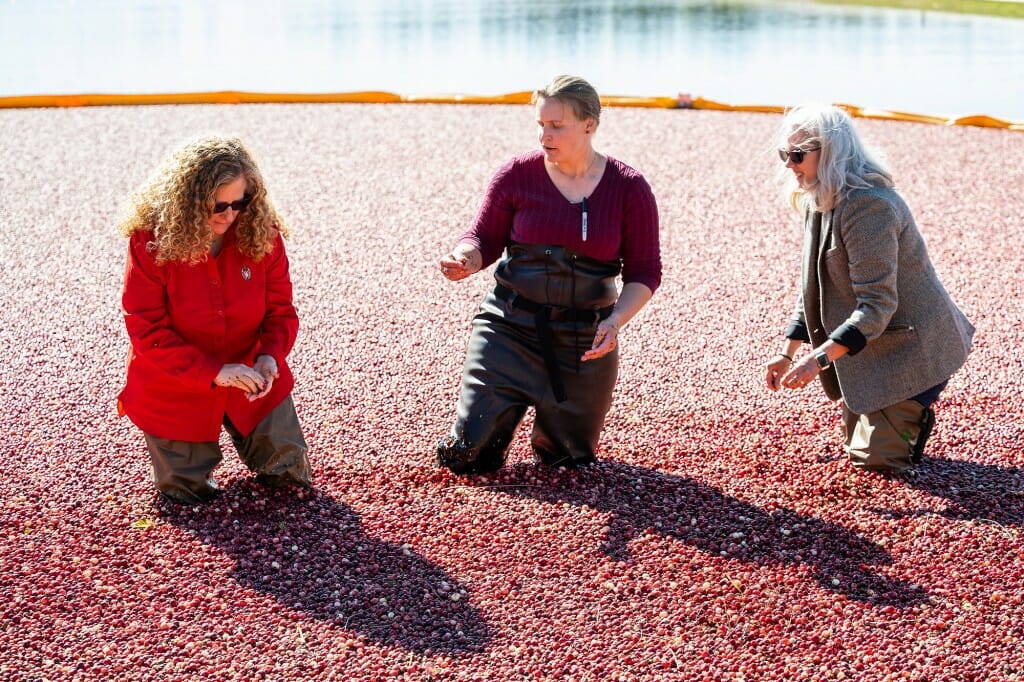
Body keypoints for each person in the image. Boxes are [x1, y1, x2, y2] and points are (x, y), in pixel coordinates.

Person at [436, 75, 661, 474]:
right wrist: (465, 258)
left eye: (557, 126)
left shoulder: (629, 187)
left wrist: (615, 321)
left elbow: (645, 272)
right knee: (467, 456)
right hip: (509, 328)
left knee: (568, 462)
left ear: (589, 124)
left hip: (584, 340)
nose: (545, 135)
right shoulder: (516, 175)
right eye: (541, 125)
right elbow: (483, 237)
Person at [764, 104, 974, 471]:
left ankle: (915, 415)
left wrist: (818, 359)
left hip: (913, 346)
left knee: (877, 462)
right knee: (857, 447)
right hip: (871, 346)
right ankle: (893, 416)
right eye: (785, 153)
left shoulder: (869, 209)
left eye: (797, 155)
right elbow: (811, 287)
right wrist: (787, 352)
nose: (788, 164)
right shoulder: (822, 198)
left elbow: (877, 306)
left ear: (829, 154)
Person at [117, 135, 311, 503]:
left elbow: (281, 311)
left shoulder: (260, 233)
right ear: (186, 203)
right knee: (186, 496)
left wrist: (270, 356)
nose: (230, 216)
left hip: (255, 374)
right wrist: (214, 372)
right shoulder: (149, 241)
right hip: (175, 383)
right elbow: (146, 328)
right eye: (217, 206)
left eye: (241, 202)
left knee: (290, 480)